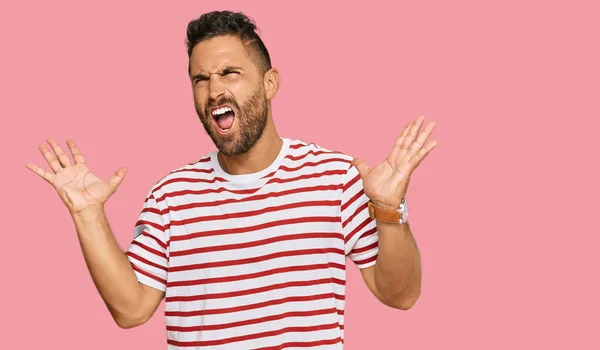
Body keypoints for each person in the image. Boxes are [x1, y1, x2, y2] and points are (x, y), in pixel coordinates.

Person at [26, 10, 437, 349]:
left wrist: (387, 211)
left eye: (230, 73)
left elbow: (400, 295)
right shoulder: (172, 195)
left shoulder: (336, 177)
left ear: (270, 83)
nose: (214, 90)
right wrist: (88, 215)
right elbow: (131, 311)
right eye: (200, 79)